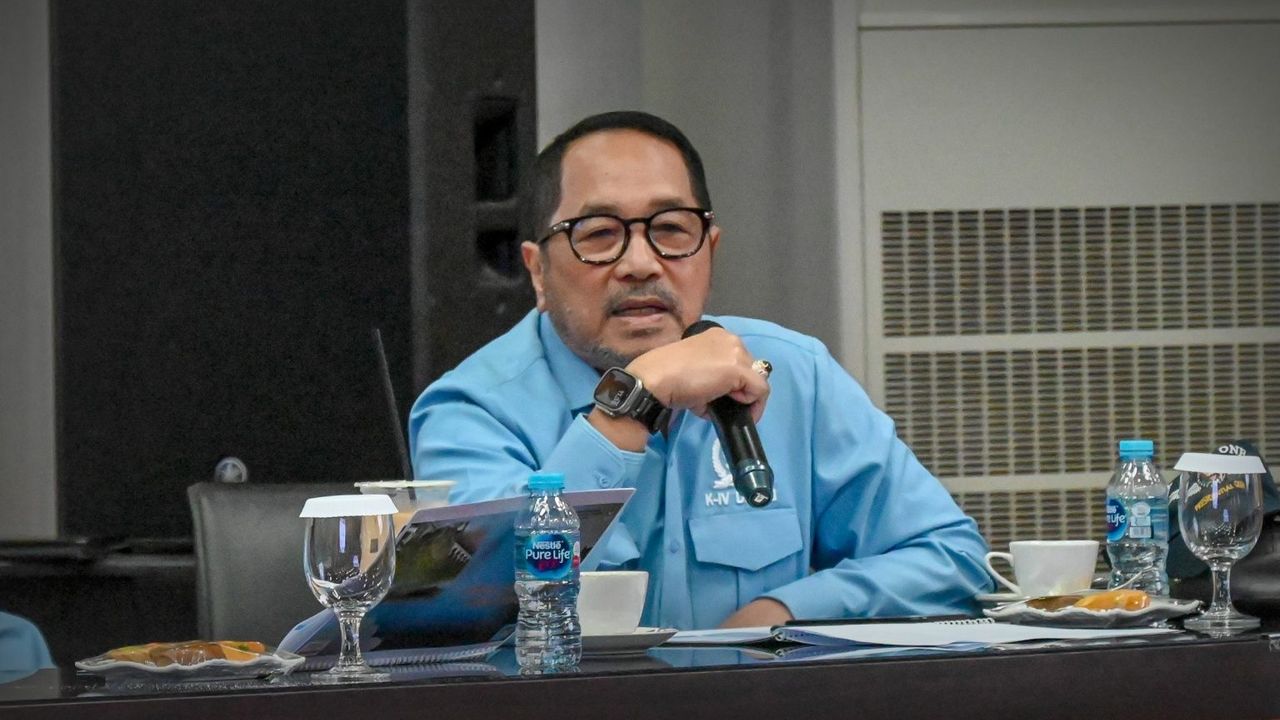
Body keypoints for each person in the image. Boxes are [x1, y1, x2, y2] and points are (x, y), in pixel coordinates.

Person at [409, 110, 993, 629]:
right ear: (538, 271)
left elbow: (950, 558)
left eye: (670, 229)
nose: (641, 263)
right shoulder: (470, 410)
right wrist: (635, 401)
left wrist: (787, 611)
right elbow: (471, 606)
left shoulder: (796, 375)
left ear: (709, 249)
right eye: (601, 234)